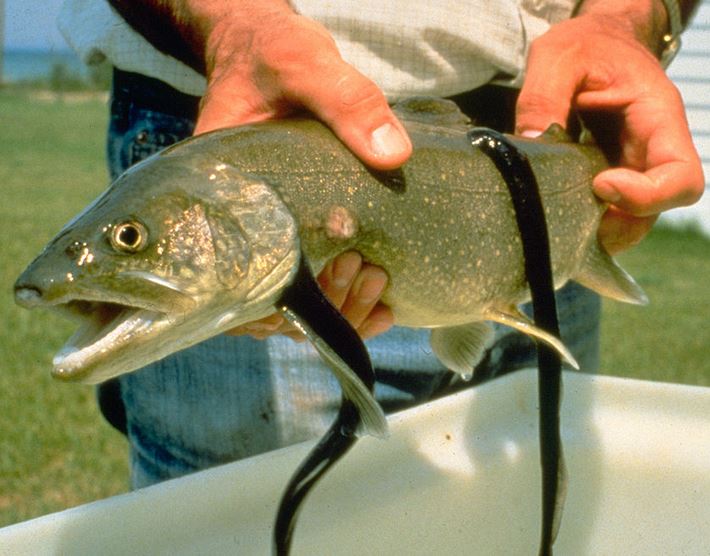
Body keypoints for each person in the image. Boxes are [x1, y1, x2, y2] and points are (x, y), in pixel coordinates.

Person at [59, 0, 704, 488]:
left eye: (130, 239)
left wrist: (632, 18)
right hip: (234, 108)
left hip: (542, 153)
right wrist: (233, 24)